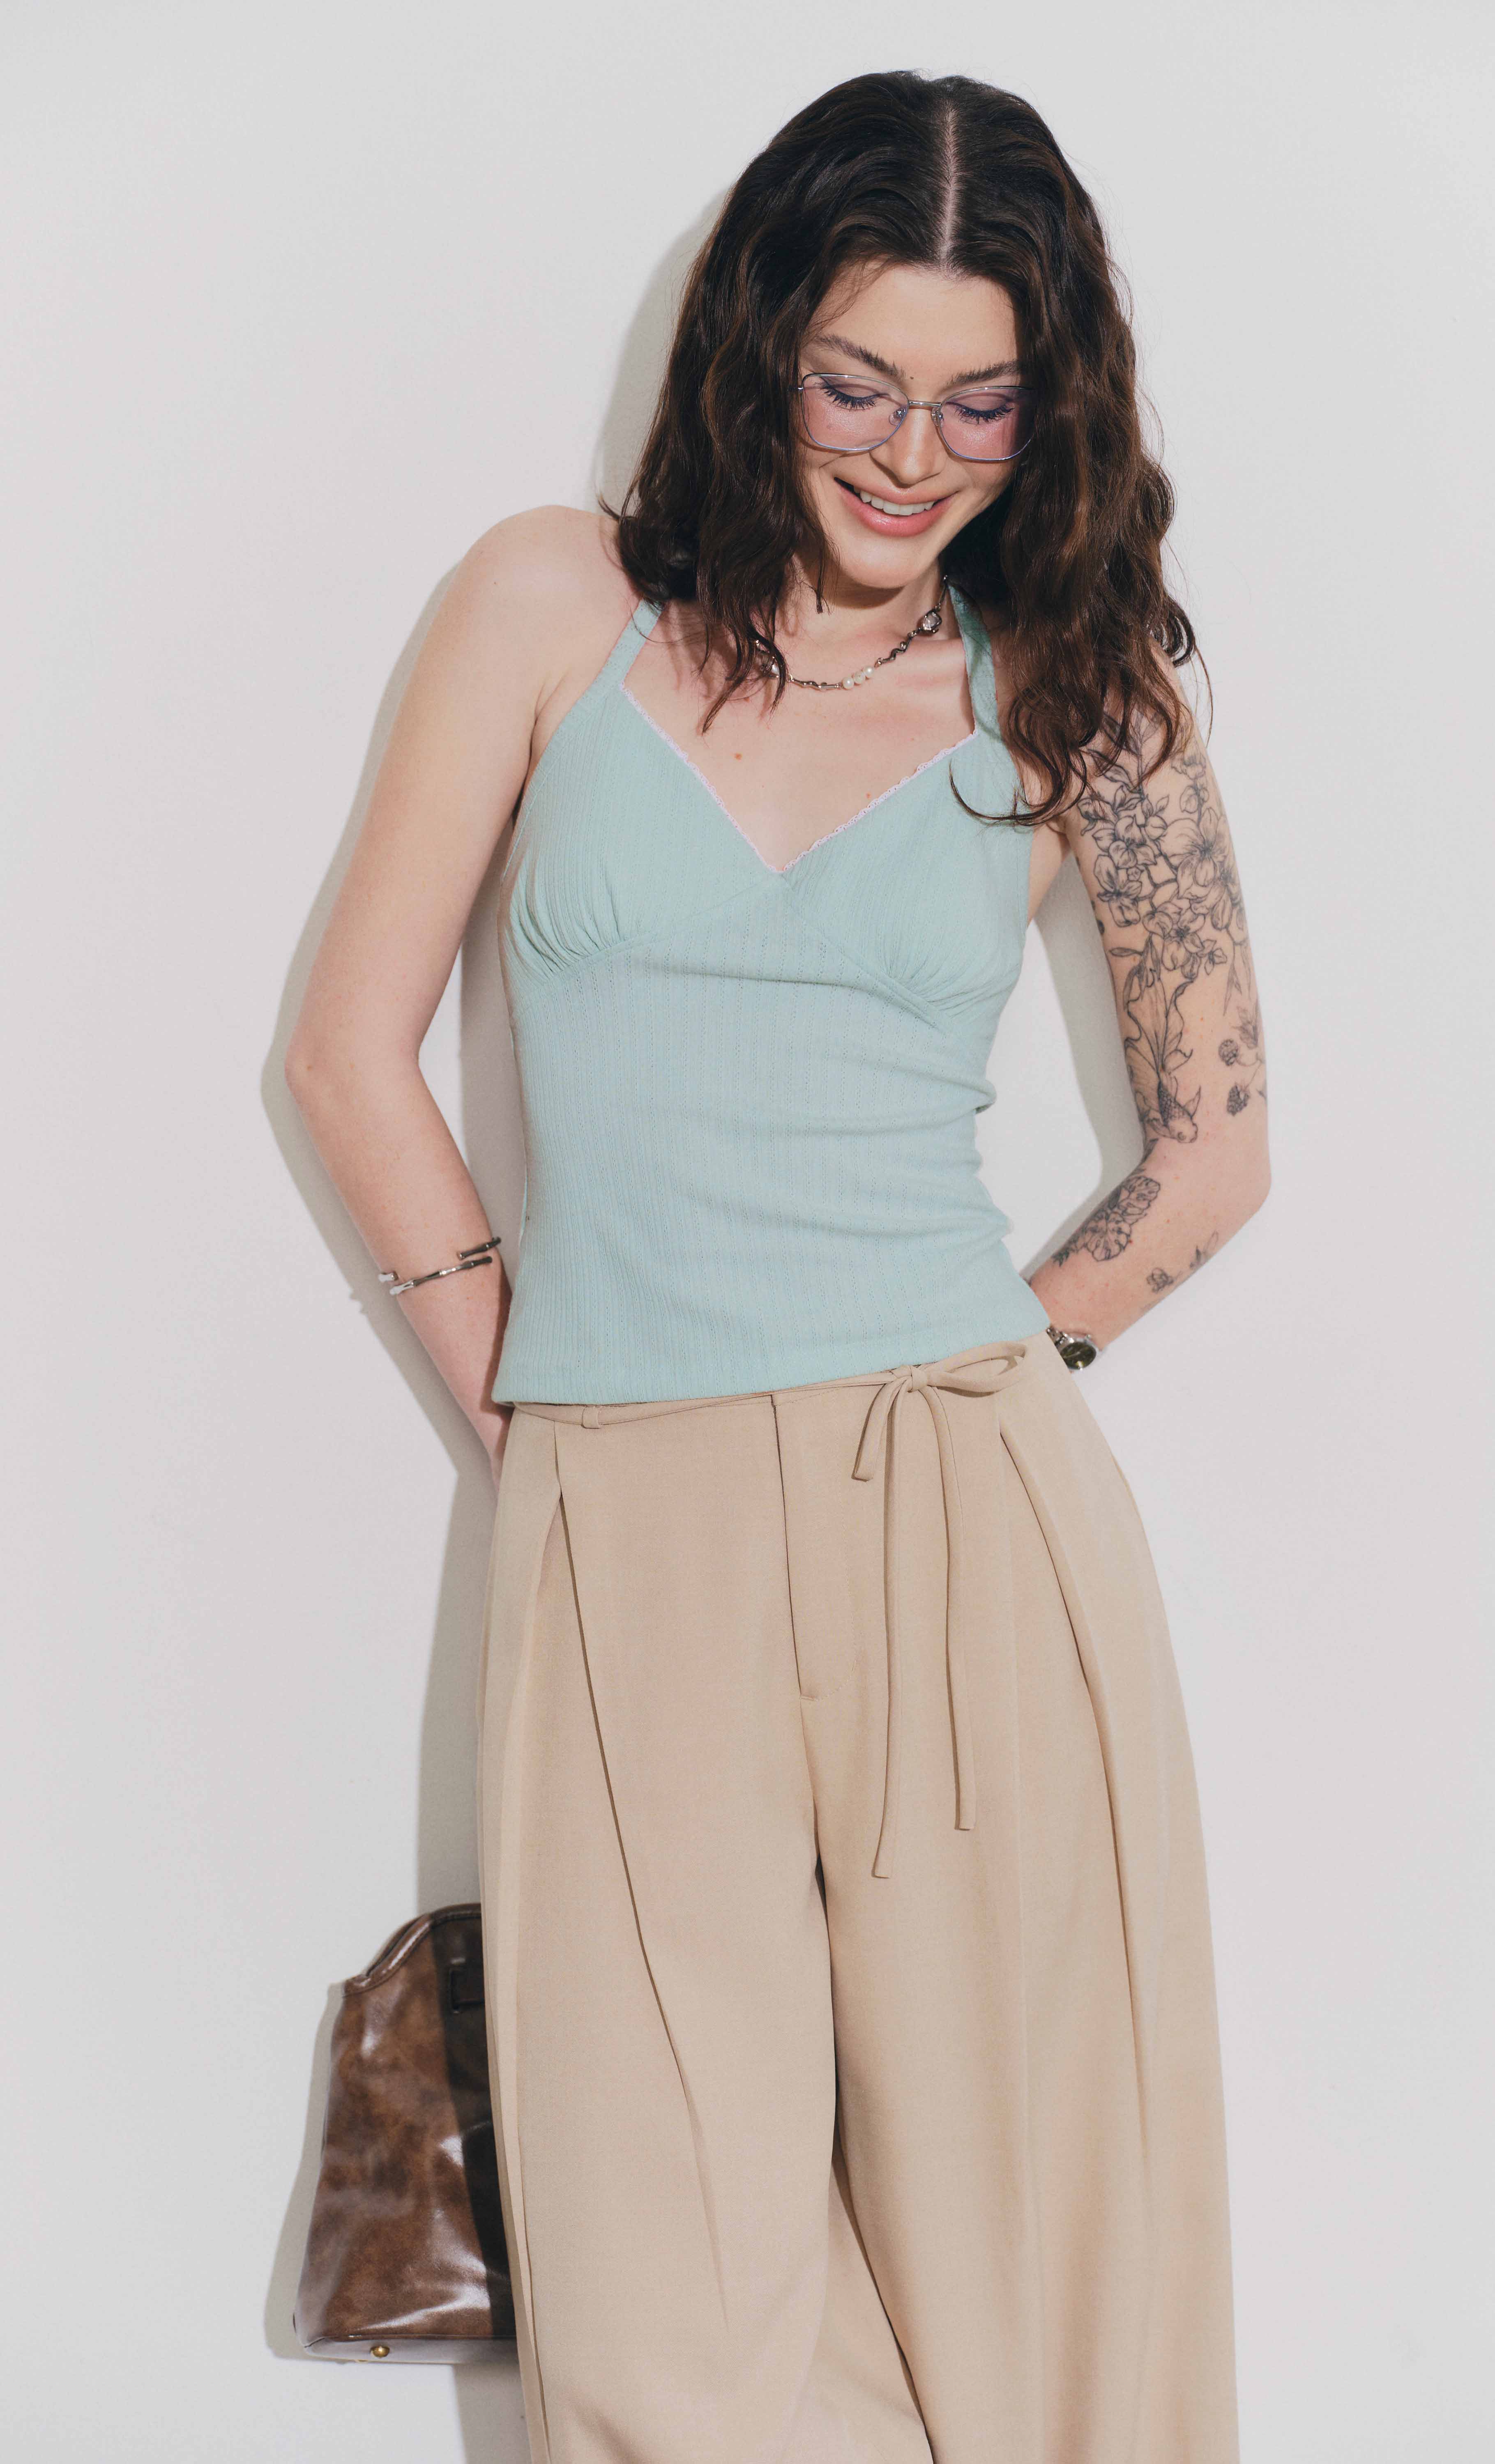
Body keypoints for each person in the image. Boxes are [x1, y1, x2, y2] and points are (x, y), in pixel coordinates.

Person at [287, 66, 1269, 2464]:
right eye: (858, 381)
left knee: (1032, 2232)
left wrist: (971, 1381)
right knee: (663, 2277)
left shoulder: (1079, 688)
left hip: (966, 1506)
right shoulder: (557, 602)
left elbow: (1218, 1145)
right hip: (620, 1499)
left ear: (1050, 404)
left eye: (977, 400)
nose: (911, 455)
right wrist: (538, 1403)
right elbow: (346, 1052)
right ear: (759, 347)